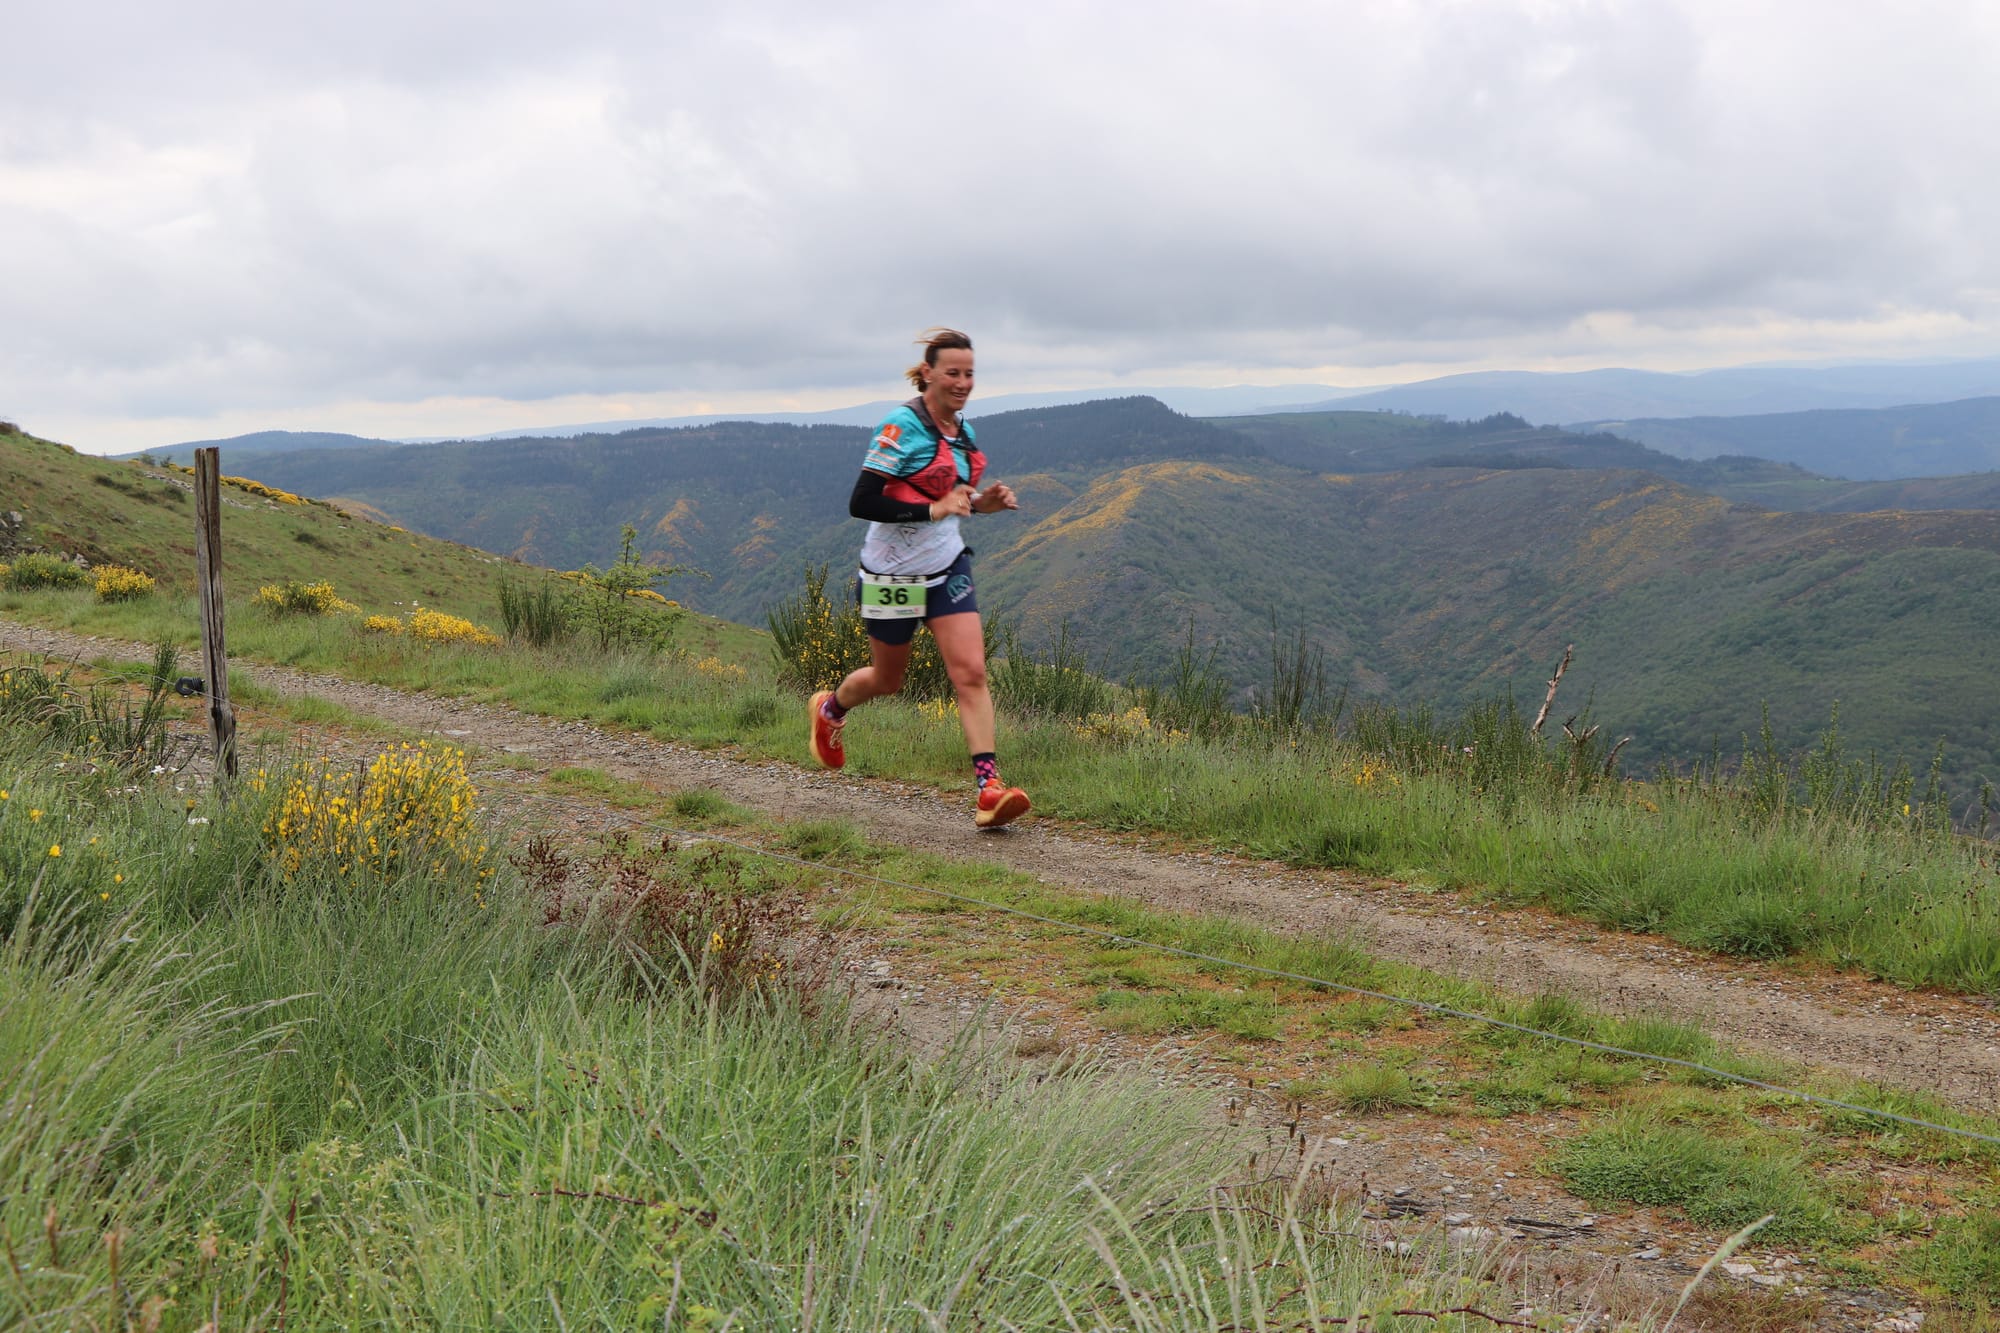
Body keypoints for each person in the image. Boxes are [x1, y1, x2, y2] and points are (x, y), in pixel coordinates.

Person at [808, 327, 1030, 829]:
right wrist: (933, 510)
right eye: (953, 372)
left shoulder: (962, 432)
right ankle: (830, 710)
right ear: (927, 373)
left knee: (970, 672)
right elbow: (861, 502)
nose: (963, 382)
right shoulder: (899, 426)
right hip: (890, 574)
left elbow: (957, 499)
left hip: (947, 568)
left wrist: (984, 504)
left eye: (969, 373)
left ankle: (989, 789)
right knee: (888, 680)